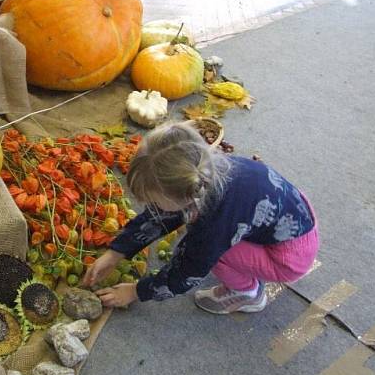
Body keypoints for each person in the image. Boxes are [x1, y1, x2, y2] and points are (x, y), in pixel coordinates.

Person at [82, 120, 319, 314]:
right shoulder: (205, 171)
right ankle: (247, 265)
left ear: (186, 197)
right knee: (203, 233)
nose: (151, 207)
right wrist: (116, 253)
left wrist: (135, 291)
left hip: (289, 258)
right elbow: (160, 216)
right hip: (295, 218)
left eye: (154, 202)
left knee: (217, 253)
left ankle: (247, 293)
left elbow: (188, 270)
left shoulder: (214, 225)